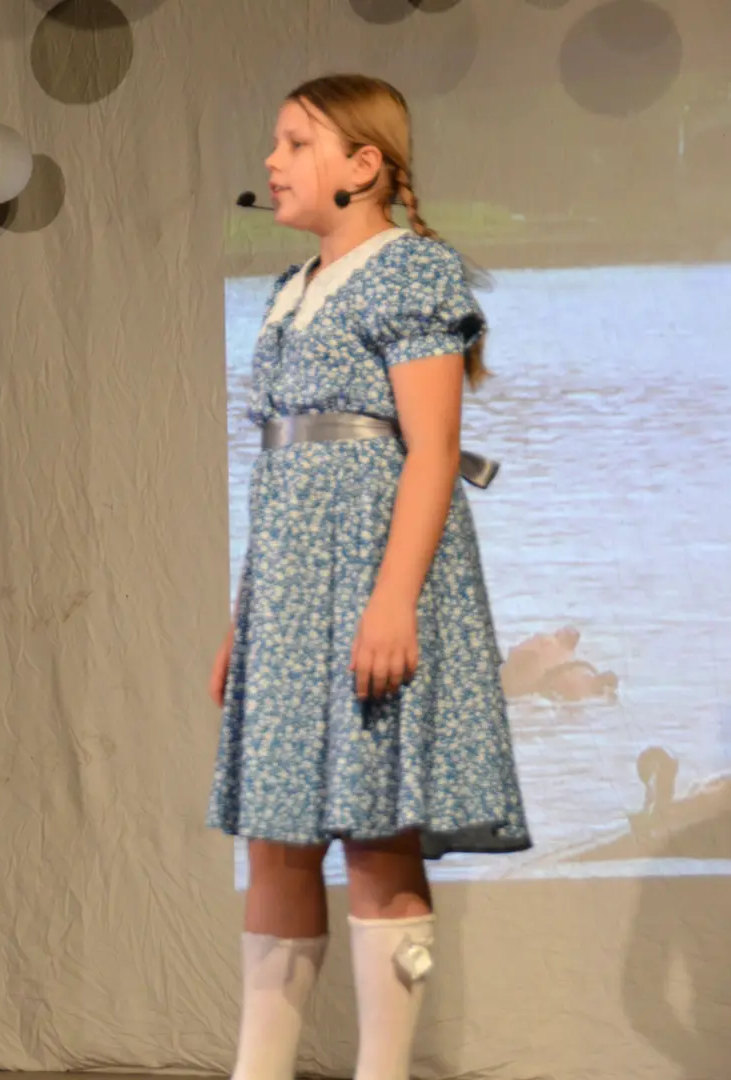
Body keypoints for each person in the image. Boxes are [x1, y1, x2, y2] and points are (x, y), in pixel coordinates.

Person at [206, 75, 530, 1080]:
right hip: (290, 591)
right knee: (276, 836)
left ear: (363, 164)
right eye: (273, 143)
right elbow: (283, 475)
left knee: (375, 832)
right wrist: (245, 620)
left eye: (295, 143)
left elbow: (430, 451)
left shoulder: (410, 271)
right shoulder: (290, 289)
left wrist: (391, 602)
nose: (272, 162)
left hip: (374, 575)